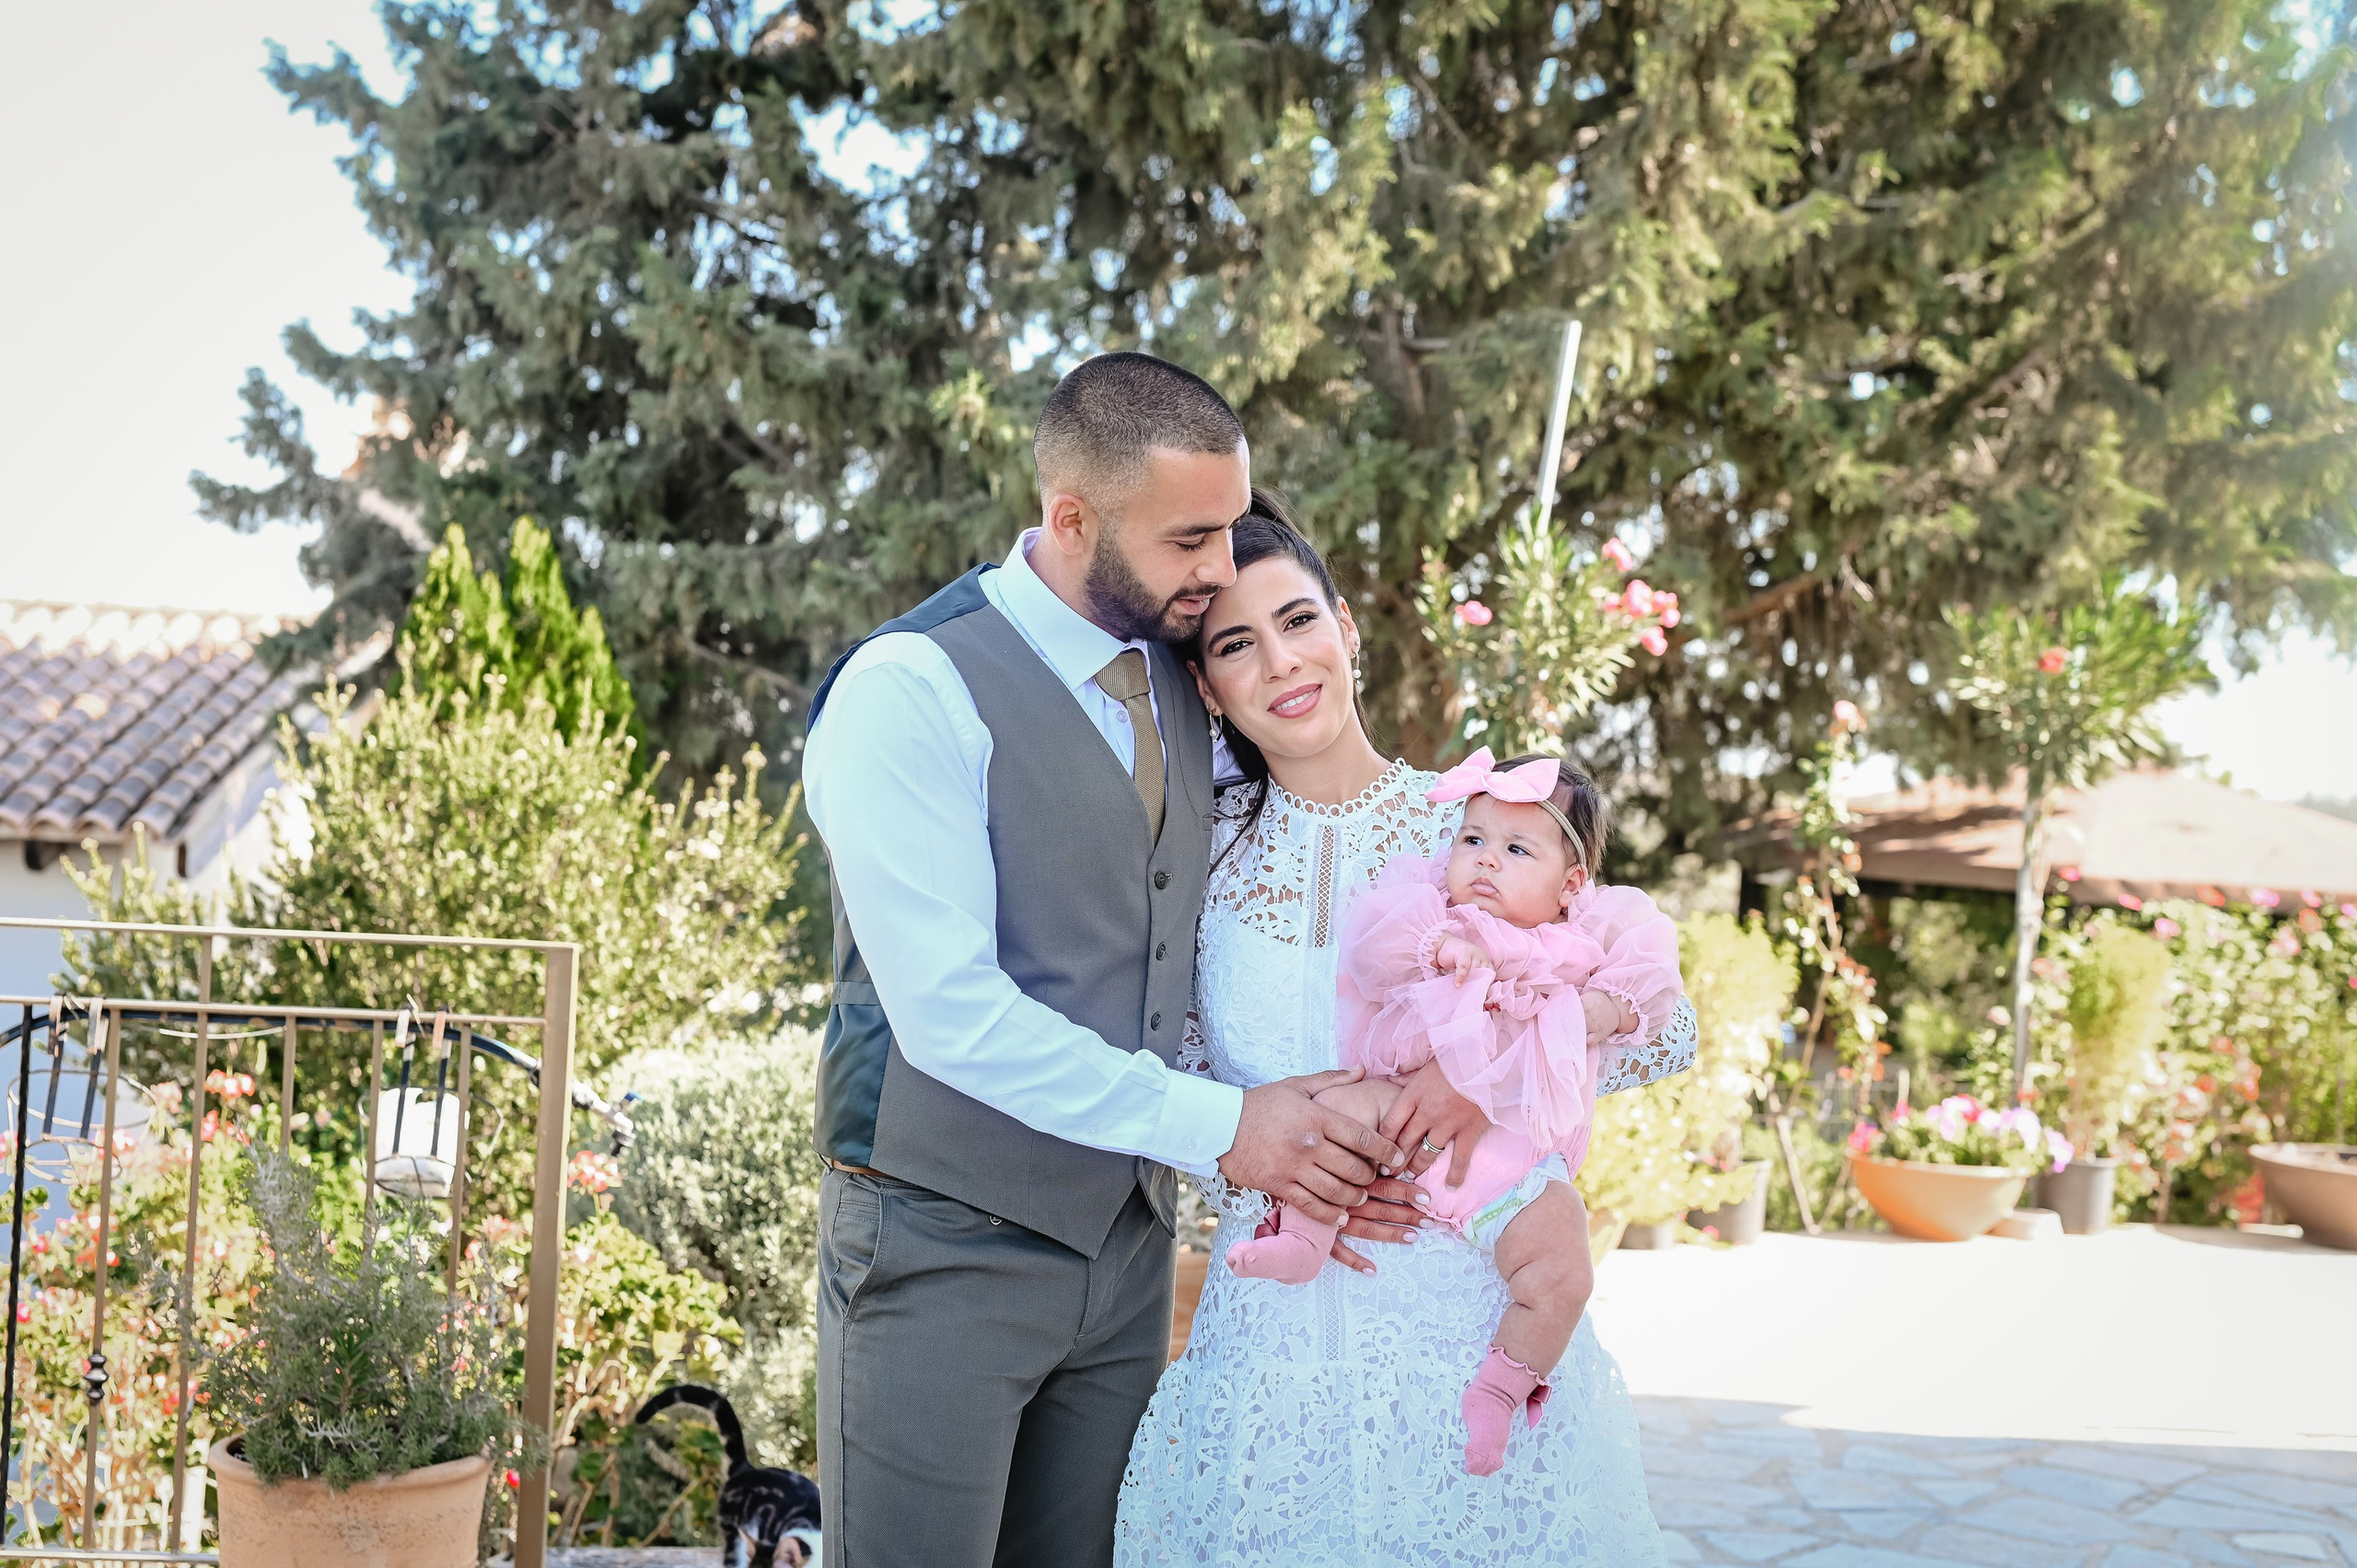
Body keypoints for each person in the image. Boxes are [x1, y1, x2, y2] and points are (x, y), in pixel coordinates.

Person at [800, 354, 1412, 1568]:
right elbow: (952, 1017)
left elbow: (1309, 842)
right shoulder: (910, 688)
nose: (1222, 569)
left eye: (1233, 527)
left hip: (1126, 1258)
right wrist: (1229, 1124)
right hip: (939, 1242)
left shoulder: (1182, 678)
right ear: (1071, 517)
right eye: (1192, 537)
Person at [1115, 494, 1690, 1565]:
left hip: (1463, 1321)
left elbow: (1666, 1024)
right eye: (1236, 643)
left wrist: (1484, 1072)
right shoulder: (1193, 867)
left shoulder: (1472, 821)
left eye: (1297, 621)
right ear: (1207, 684)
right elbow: (1170, 1077)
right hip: (1268, 1357)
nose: (1281, 662)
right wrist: (1256, 1156)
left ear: (1347, 630)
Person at [1224, 746, 1684, 1474]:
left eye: (1516, 847)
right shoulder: (1432, 912)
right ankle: (1302, 1240)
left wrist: (1584, 1009)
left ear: (1571, 885)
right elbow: (1373, 954)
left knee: (1565, 1260)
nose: (1486, 860)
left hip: (1511, 1164)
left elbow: (1658, 991)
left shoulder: (1582, 939)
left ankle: (1499, 1389)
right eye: (1473, 838)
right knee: (1330, 1109)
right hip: (1398, 1112)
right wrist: (1439, 950)